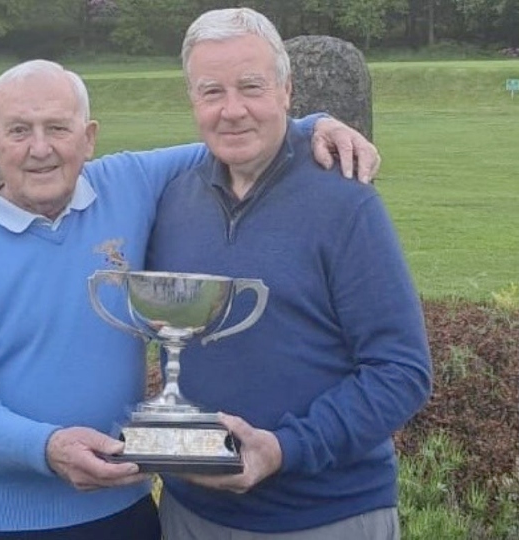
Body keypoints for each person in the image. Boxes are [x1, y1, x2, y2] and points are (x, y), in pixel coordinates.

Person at [0, 58, 380, 540]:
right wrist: (48, 447)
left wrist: (313, 125)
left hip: (123, 513)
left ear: (89, 137)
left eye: (57, 127)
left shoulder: (128, 182)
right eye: (18, 131)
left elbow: (232, 138)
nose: (40, 148)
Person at [146, 8, 432, 540]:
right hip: (190, 516)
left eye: (251, 87)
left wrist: (283, 450)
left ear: (286, 91)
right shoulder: (169, 197)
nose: (232, 110)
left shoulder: (346, 202)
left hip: (326, 517)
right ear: (192, 100)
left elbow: (402, 371)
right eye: (212, 92)